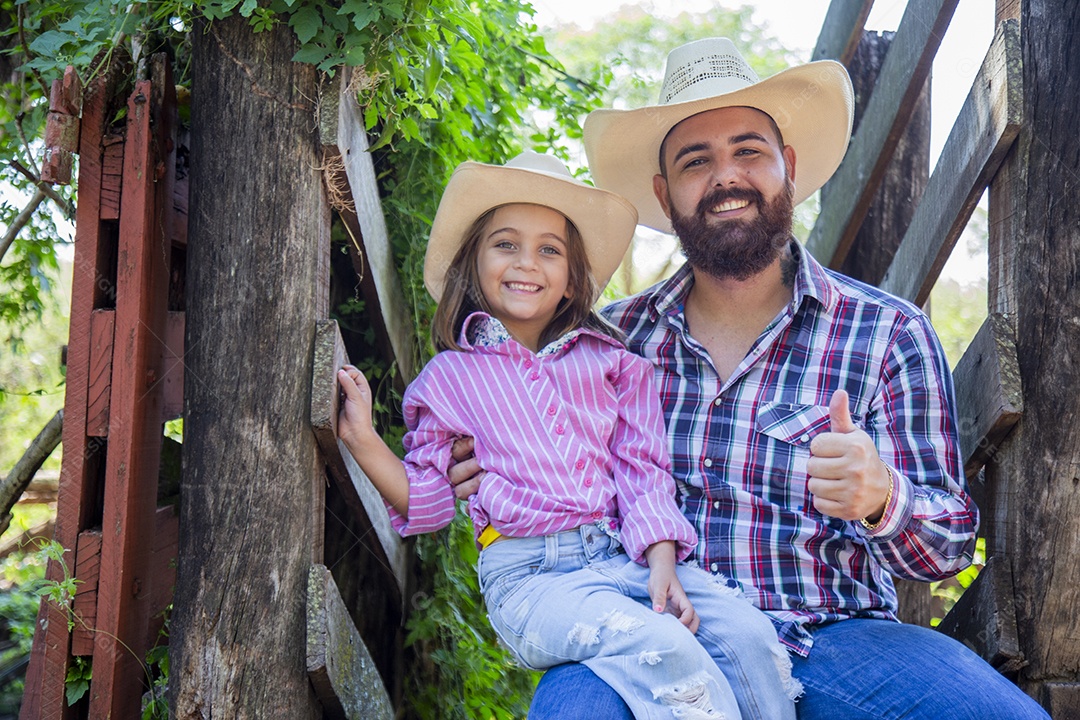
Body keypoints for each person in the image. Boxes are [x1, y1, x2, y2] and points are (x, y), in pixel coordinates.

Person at [449, 40, 1051, 719]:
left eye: (748, 151)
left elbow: (945, 548)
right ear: (663, 193)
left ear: (786, 168)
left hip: (837, 642)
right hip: (645, 635)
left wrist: (882, 496)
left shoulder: (887, 333)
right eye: (695, 161)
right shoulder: (601, 344)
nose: (725, 176)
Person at [337, 150, 803, 719]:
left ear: (570, 281)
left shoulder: (611, 364)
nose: (526, 262)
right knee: (665, 647)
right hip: (531, 581)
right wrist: (362, 439)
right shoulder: (448, 380)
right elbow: (429, 501)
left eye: (548, 250)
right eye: (505, 244)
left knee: (746, 637)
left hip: (624, 559)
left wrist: (661, 562)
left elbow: (641, 470)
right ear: (473, 264)